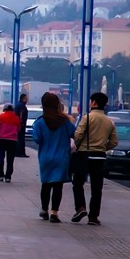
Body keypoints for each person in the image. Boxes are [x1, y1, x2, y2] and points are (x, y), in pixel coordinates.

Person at [71, 91, 118, 225]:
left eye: (91, 101)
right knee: (97, 188)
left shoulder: (87, 118)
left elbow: (78, 135)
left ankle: (80, 207)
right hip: (100, 156)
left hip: (84, 154)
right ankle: (93, 216)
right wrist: (103, 147)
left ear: (94, 103)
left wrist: (78, 145)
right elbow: (114, 142)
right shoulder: (109, 122)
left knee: (78, 183)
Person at [31, 92, 75, 222]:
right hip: (61, 158)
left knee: (46, 185)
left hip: (45, 157)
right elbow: (74, 134)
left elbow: (37, 139)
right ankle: (54, 213)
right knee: (58, 186)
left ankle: (44, 210)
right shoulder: (65, 121)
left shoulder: (39, 122)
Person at [0, 103, 21, 182]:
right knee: (10, 160)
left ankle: (0, 175)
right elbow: (18, 129)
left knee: (1, 158)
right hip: (12, 141)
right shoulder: (16, 118)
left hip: (1, 140)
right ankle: (8, 176)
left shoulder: (1, 117)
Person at [15, 93, 30, 157]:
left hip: (19, 125)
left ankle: (20, 152)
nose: (27, 100)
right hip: (21, 125)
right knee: (20, 139)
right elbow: (21, 116)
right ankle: (20, 152)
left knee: (20, 138)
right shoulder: (22, 106)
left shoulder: (19, 105)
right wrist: (22, 123)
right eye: (26, 98)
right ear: (23, 99)